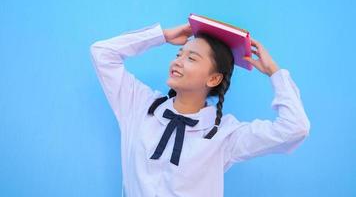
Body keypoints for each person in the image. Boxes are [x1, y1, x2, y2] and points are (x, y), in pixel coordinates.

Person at [90, 22, 310, 197]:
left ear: (213, 78)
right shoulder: (139, 105)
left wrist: (275, 73)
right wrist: (162, 36)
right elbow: (102, 53)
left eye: (191, 58)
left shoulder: (225, 135)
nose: (178, 62)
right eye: (179, 55)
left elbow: (295, 128)